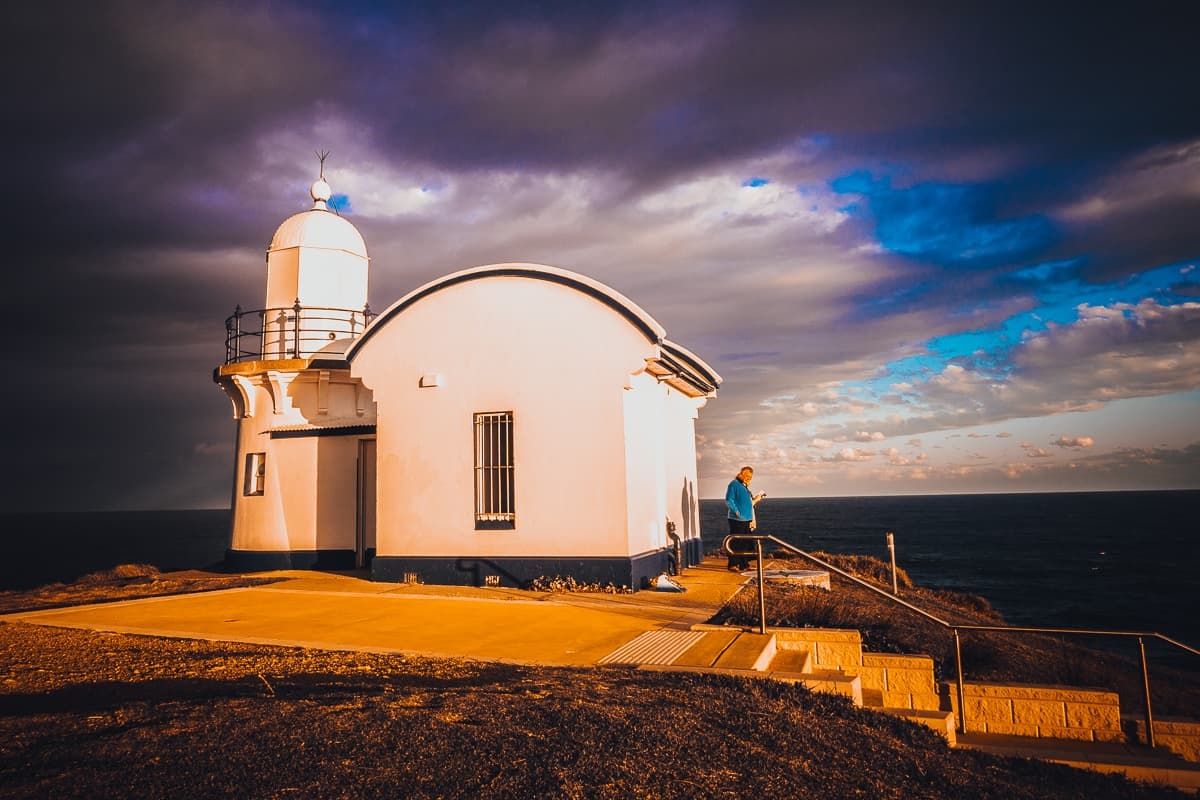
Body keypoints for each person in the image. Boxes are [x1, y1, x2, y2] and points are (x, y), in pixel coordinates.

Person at [725, 466, 766, 570]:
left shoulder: (744, 486)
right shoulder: (734, 484)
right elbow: (729, 499)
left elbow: (747, 501)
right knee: (735, 542)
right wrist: (737, 512)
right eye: (747, 475)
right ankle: (732, 564)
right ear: (741, 474)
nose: (748, 478)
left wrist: (756, 498)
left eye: (750, 477)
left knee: (745, 543)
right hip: (737, 519)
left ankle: (744, 565)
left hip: (746, 519)